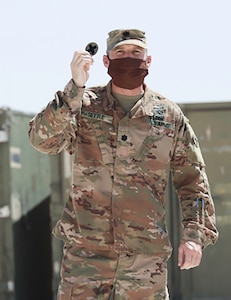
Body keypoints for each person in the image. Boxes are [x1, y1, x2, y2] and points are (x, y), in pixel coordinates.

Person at [29, 28, 218, 299]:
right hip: (86, 258)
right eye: (120, 52)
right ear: (106, 61)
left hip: (144, 262)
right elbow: (41, 140)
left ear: (148, 61)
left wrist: (194, 235)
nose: (128, 58)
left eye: (136, 53)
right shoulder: (83, 105)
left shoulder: (168, 116)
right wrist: (74, 87)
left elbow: (193, 180)